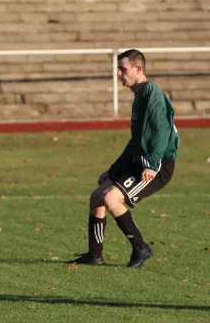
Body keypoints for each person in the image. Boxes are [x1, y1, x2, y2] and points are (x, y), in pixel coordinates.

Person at [71, 49, 179, 268]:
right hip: (141, 160)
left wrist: (152, 163)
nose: (119, 73)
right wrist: (113, 171)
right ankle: (95, 255)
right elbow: (135, 142)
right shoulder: (139, 97)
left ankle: (141, 247)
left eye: (123, 69)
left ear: (138, 69)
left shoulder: (152, 94)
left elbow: (162, 130)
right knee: (97, 197)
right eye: (117, 69)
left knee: (112, 199)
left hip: (156, 165)